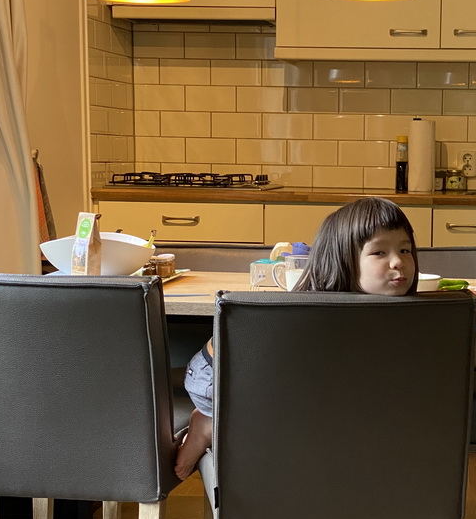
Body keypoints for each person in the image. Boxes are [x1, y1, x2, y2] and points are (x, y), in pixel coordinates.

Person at [174, 197, 419, 479]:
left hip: (271, 381)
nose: (398, 262)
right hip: (218, 378)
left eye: (405, 249)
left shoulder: (389, 307)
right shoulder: (312, 311)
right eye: (379, 253)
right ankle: (208, 422)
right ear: (343, 260)